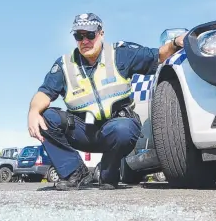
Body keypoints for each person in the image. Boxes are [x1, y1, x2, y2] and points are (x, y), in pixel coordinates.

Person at [27, 13, 186, 190]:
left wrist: (175, 42)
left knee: (123, 129)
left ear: (101, 33)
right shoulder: (65, 64)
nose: (84, 40)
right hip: (83, 130)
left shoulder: (120, 54)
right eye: (79, 36)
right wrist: (33, 111)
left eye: (90, 35)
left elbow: (157, 56)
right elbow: (44, 93)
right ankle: (74, 172)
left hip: (115, 128)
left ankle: (108, 171)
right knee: (45, 118)